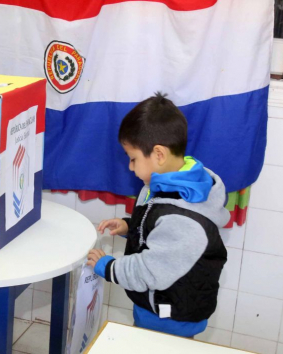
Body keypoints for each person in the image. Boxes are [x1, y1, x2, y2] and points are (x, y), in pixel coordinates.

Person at [86, 92, 230, 338]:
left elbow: (148, 270)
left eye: (133, 159)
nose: (130, 167)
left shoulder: (183, 219)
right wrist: (129, 226)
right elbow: (160, 232)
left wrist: (107, 266)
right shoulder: (169, 181)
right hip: (160, 303)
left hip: (170, 317)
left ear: (159, 154)